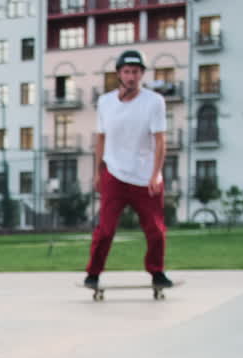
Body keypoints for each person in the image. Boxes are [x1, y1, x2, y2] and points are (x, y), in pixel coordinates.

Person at [84, 48, 173, 290]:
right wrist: (97, 172)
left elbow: (160, 140)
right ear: (119, 74)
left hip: (146, 178)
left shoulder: (154, 102)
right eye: (127, 72)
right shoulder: (105, 102)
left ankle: (157, 273)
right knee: (105, 230)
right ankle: (93, 273)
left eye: (135, 72)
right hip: (114, 175)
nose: (131, 77)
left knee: (155, 230)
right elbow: (101, 139)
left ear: (142, 74)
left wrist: (156, 173)